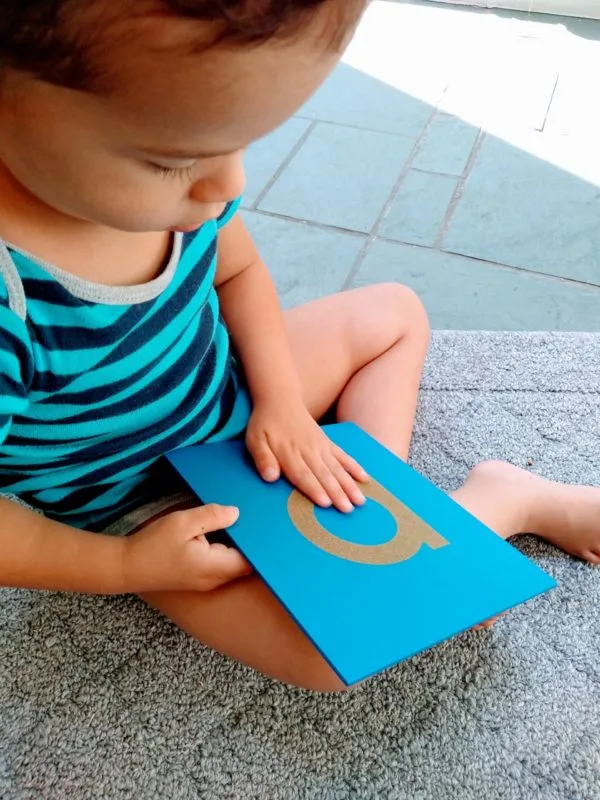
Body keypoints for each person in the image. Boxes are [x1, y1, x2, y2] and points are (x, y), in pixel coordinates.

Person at [0, 0, 598, 693]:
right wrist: (126, 567)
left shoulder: (193, 185)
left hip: (232, 397)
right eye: (172, 160)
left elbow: (240, 271)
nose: (230, 186)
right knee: (332, 654)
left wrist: (281, 405)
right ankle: (498, 505)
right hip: (136, 502)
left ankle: (373, 498)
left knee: (394, 313)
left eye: (245, 143)